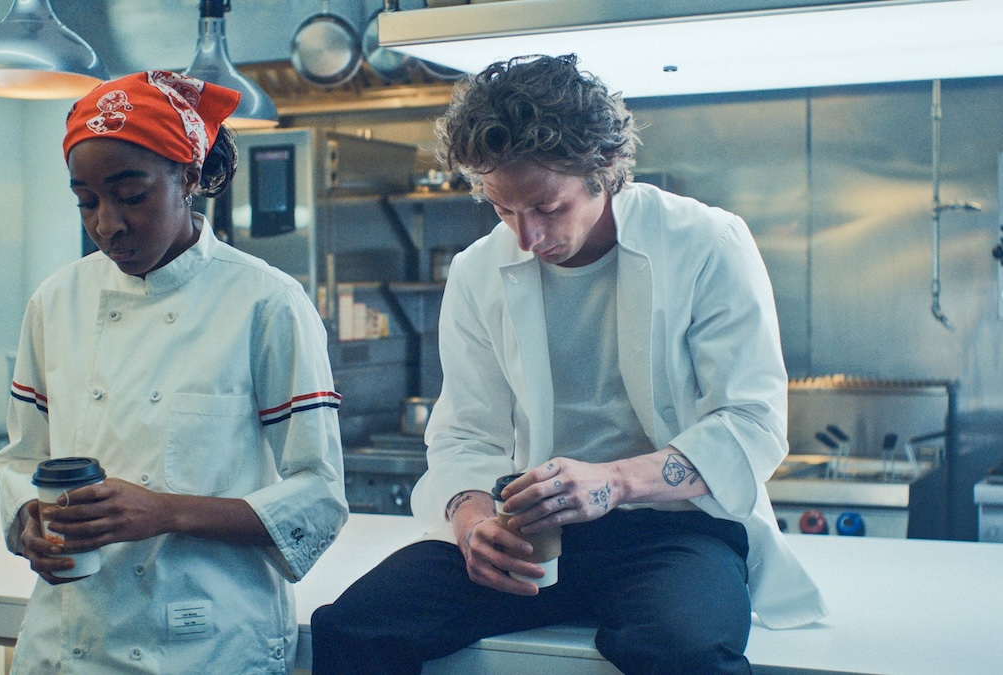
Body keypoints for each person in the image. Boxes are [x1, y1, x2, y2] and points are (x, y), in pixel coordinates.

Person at [310, 54, 826, 674]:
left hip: (676, 530)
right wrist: (474, 522)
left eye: (547, 208)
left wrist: (611, 483)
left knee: (684, 651)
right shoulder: (478, 271)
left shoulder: (706, 244)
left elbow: (751, 426)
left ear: (603, 171)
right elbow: (467, 434)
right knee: (352, 629)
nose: (526, 237)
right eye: (503, 209)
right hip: (531, 534)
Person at [0, 70, 347, 673]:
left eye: (131, 196)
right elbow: (23, 458)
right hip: (69, 640)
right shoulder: (55, 303)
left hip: (205, 642)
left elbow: (318, 495)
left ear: (187, 177)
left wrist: (164, 511)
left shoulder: (266, 301)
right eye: (86, 200)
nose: (107, 224)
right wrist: (27, 519)